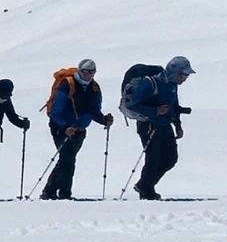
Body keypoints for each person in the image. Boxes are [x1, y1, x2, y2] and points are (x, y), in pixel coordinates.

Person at [41, 59, 114, 200]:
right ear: (79, 70)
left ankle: (49, 191)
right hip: (61, 128)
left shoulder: (94, 88)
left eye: (91, 72)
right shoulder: (67, 85)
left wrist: (103, 120)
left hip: (79, 130)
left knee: (66, 159)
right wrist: (65, 126)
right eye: (85, 71)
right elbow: (55, 111)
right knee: (68, 160)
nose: (88, 75)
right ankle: (64, 194)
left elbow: (94, 110)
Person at [128, 56, 195, 200]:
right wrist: (155, 111)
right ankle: (146, 191)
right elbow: (134, 104)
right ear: (174, 72)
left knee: (170, 159)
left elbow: (173, 107)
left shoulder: (172, 85)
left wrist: (177, 124)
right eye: (183, 75)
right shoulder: (150, 83)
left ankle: (144, 185)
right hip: (148, 125)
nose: (184, 79)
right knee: (153, 160)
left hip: (164, 125)